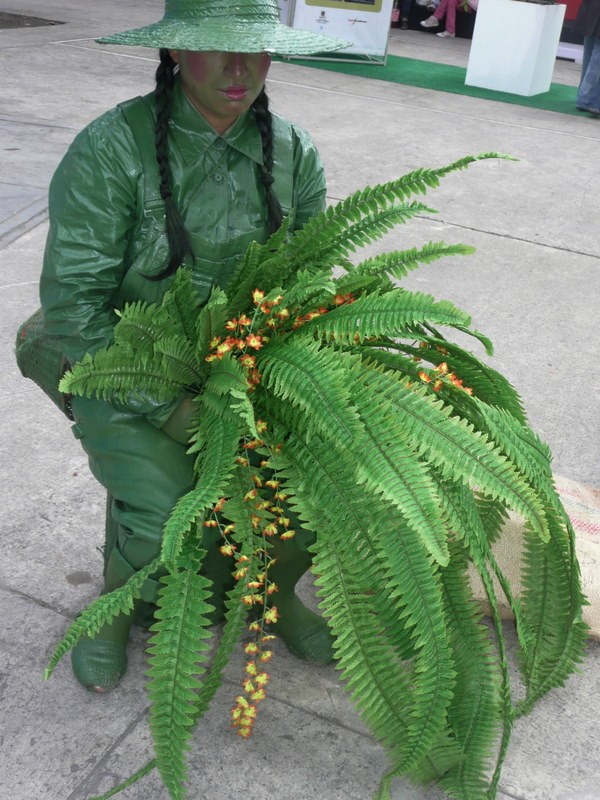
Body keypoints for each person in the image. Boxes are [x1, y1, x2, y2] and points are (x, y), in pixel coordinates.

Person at [30, 0, 348, 693]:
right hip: (112, 360)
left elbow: (310, 280)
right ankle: (113, 611)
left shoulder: (293, 153)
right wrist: (165, 406)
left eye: (255, 49)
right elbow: (72, 303)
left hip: (244, 368)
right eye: (216, 47)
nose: (240, 69)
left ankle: (273, 594)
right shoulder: (113, 148)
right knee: (169, 505)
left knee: (318, 484)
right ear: (174, 52)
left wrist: (311, 374)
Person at [573, 0, 600, 115]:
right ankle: (590, 100)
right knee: (596, 57)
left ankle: (584, 97)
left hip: (592, 8)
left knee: (590, 52)